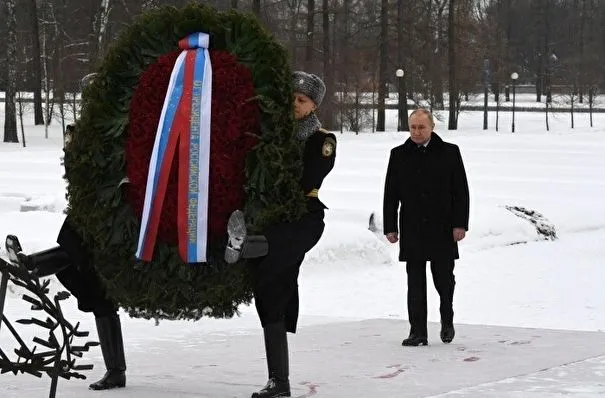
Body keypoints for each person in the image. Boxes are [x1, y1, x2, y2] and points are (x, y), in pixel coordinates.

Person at [5, 74, 127, 390]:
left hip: (109, 216)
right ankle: (116, 369)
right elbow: (74, 171)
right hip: (89, 213)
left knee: (82, 263)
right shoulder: (82, 132)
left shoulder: (116, 127)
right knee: (86, 275)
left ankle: (29, 264)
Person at [224, 71, 336, 398]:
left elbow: (308, 177)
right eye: (291, 98)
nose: (294, 105)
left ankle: (244, 244)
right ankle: (280, 382)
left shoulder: (321, 140)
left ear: (313, 105)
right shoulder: (271, 134)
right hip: (274, 218)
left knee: (273, 262)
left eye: (301, 101)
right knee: (270, 290)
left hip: (304, 217)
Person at [382, 109, 469, 347]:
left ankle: (447, 318)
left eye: (421, 127)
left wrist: (460, 224)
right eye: (413, 127)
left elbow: (460, 192)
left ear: (432, 127)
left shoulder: (450, 153)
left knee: (443, 279)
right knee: (415, 281)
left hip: (442, 227)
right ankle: (417, 331)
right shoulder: (399, 155)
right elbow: (391, 194)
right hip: (412, 227)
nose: (417, 132)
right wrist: (390, 226)